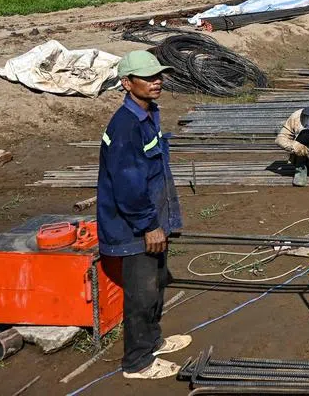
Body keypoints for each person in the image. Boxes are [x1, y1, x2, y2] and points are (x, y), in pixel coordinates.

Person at [97, 50, 189, 380]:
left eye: (158, 76)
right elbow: (127, 187)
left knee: (156, 284)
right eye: (148, 78)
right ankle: (137, 363)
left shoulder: (148, 115)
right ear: (127, 83)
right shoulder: (126, 127)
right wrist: (149, 225)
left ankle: (153, 341)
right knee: (142, 293)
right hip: (134, 227)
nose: (156, 81)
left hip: (152, 219)